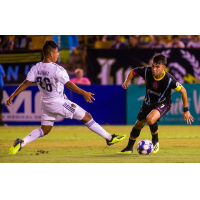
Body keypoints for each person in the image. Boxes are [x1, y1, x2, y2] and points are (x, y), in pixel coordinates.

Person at [7, 40, 126, 155]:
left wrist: (13, 95)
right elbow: (68, 84)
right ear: (51, 53)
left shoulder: (36, 67)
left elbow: (26, 83)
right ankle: (109, 138)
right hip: (58, 102)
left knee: (45, 129)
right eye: (57, 52)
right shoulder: (57, 69)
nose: (58, 54)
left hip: (45, 103)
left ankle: (22, 142)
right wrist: (83, 92)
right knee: (87, 116)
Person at [118, 53, 193, 154]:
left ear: (163, 67)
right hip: (148, 103)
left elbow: (183, 91)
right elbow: (133, 71)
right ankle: (128, 148)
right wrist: (126, 81)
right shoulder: (146, 71)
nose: (154, 69)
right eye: (153, 66)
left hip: (163, 103)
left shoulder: (169, 79)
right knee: (138, 125)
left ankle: (155, 141)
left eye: (157, 67)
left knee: (150, 119)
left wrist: (186, 110)